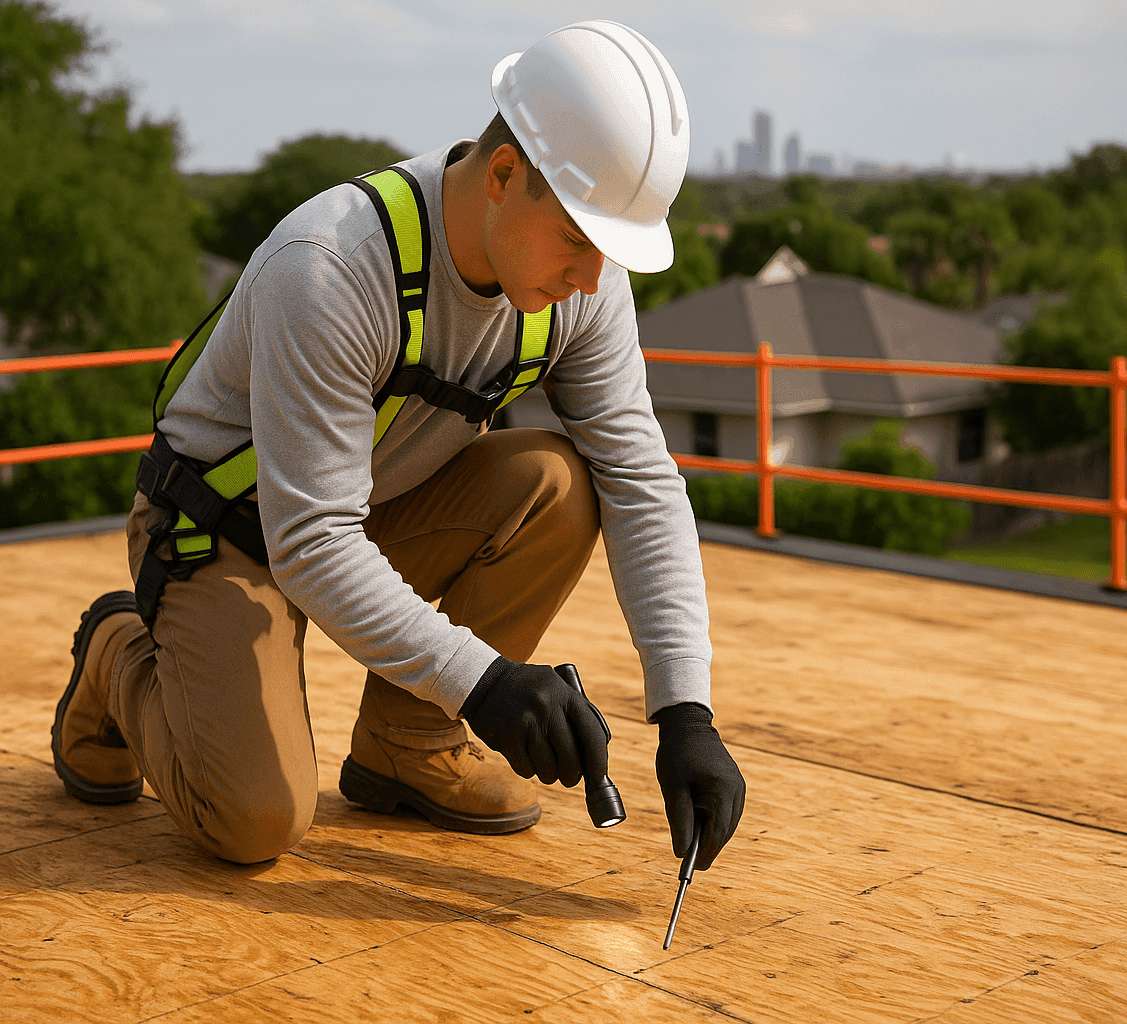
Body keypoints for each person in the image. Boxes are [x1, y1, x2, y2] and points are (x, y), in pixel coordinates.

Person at [51, 20, 746, 875]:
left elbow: (640, 476)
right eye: (580, 242)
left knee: (559, 483)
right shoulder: (331, 266)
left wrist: (686, 712)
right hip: (227, 531)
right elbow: (311, 543)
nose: (594, 280)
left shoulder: (581, 288)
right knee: (253, 821)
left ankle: (406, 745)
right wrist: (486, 683)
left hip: (364, 514)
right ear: (503, 176)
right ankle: (116, 655)